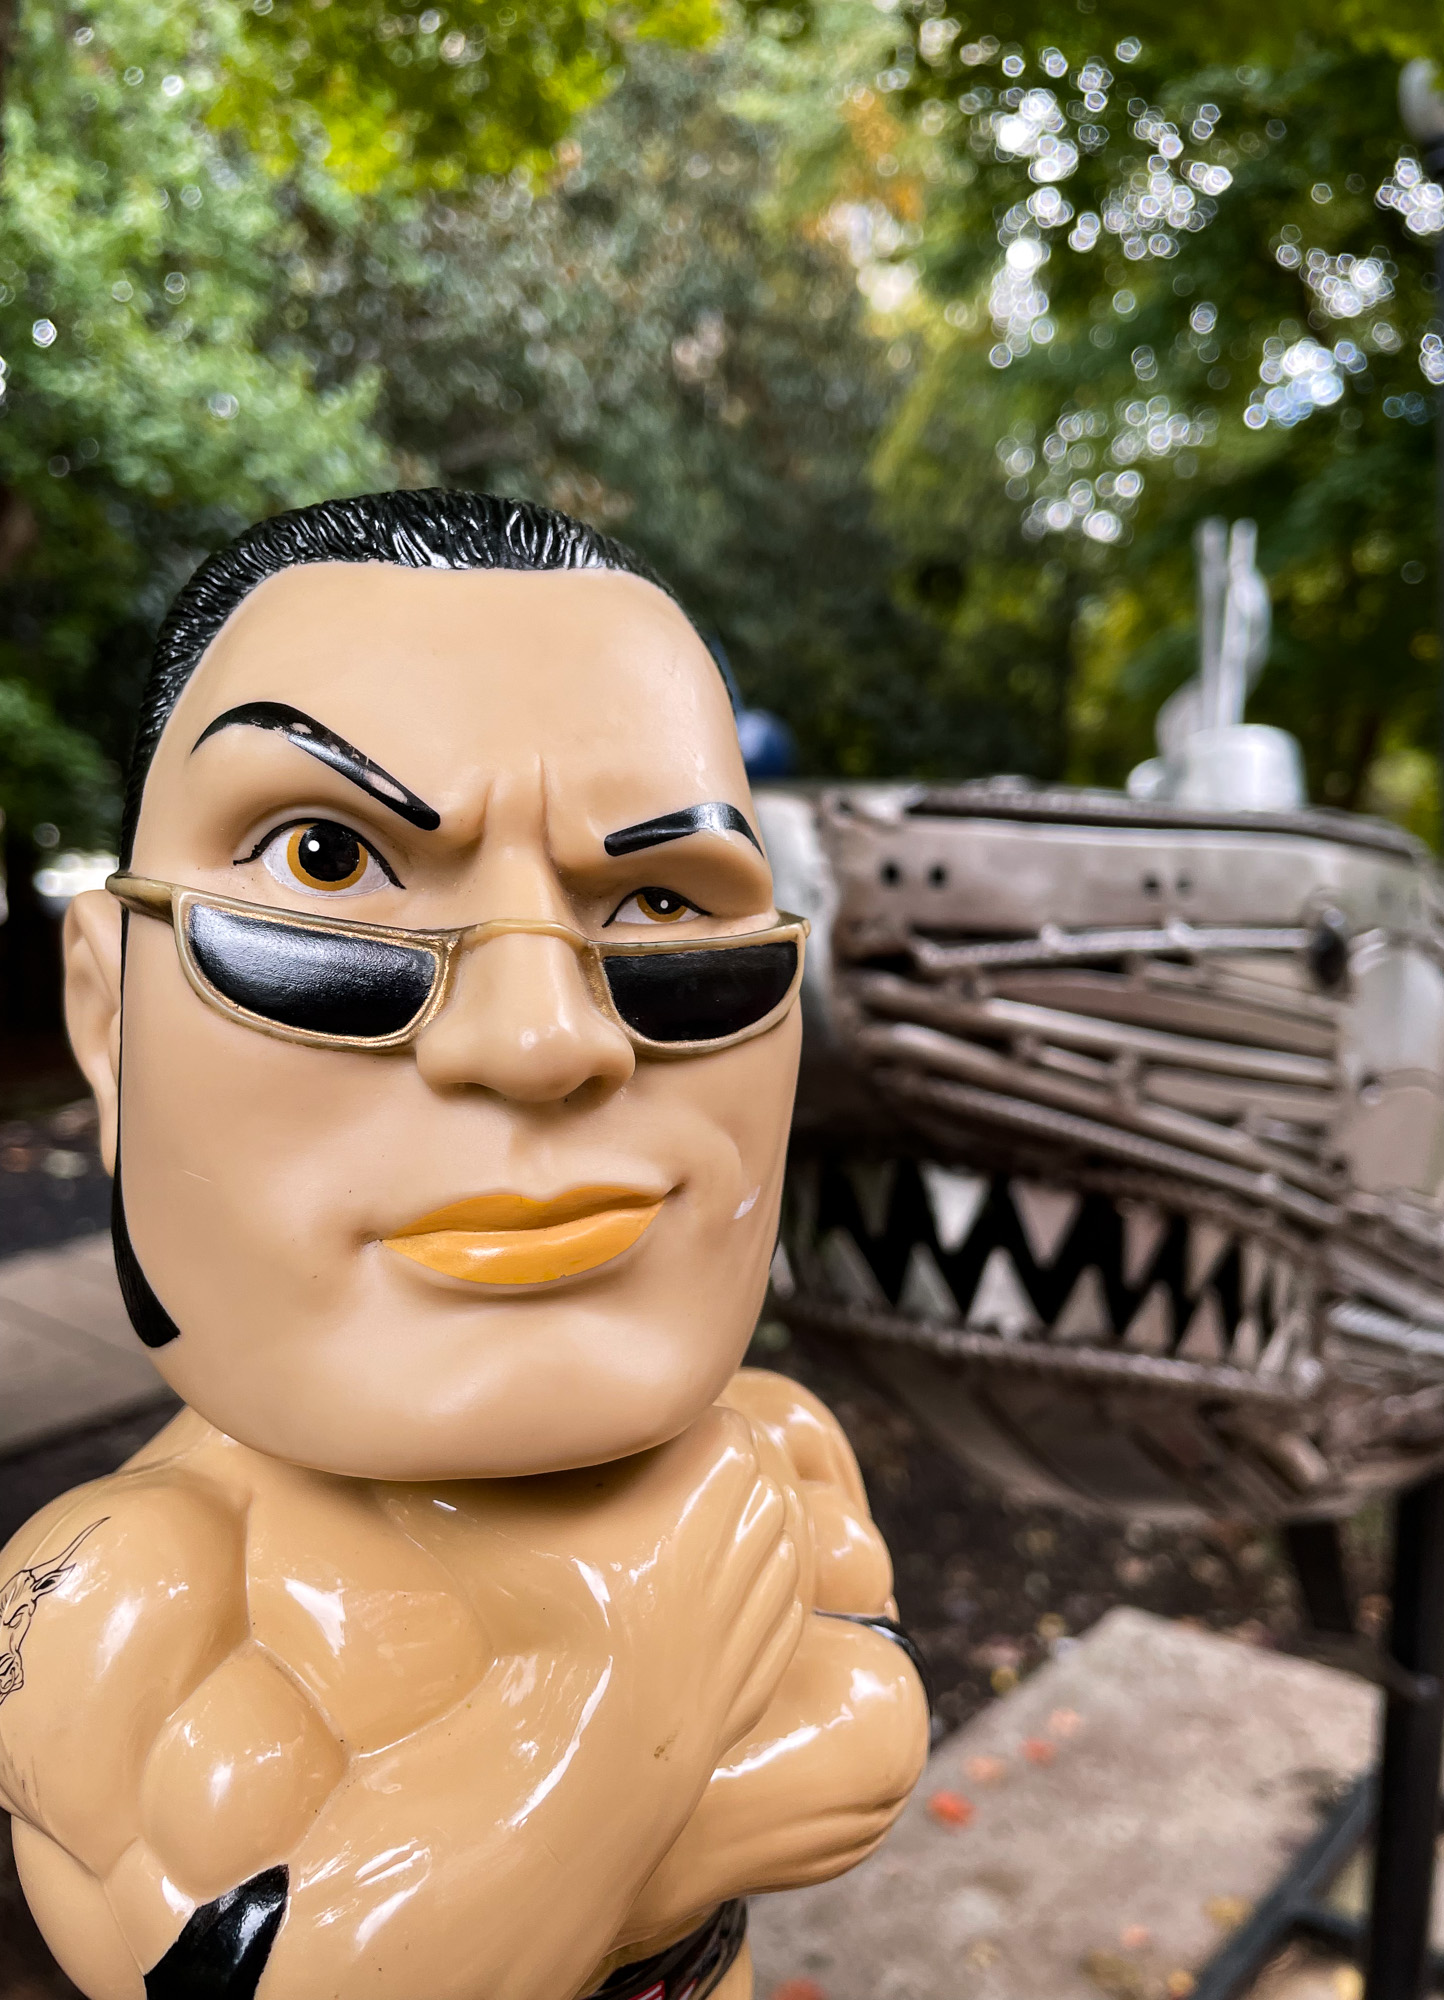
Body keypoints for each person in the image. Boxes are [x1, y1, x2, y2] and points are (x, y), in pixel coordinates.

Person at [0, 492, 927, 2000]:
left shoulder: (777, 1439)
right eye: (324, 859)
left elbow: (867, 1739)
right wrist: (631, 1711)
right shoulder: (119, 1588)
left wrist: (559, 1848)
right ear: (111, 1019)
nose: (542, 1038)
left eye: (657, 900)